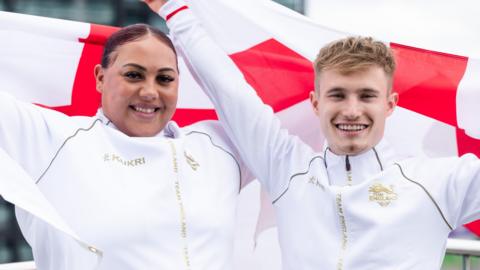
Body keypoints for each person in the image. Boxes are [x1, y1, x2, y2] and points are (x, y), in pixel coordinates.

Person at [147, 0, 480, 269]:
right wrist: (173, 8)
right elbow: (228, 89)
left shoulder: (439, 181)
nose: (351, 110)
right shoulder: (287, 167)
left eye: (366, 96)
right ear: (316, 103)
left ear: (390, 105)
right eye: (338, 95)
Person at [0, 20, 252, 269]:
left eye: (164, 79)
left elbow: (281, 122)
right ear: (100, 77)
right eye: (133, 75)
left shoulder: (219, 146)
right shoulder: (52, 140)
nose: (149, 92)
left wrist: (182, 18)